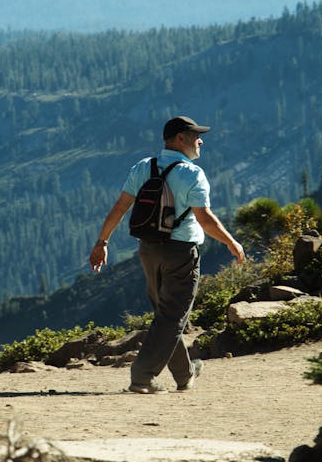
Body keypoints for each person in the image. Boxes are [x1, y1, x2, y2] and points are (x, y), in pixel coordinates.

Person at [89, 115, 245, 394]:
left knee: (166, 315)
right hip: (181, 253)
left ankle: (185, 374)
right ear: (179, 139)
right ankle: (142, 376)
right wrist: (231, 243)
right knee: (172, 317)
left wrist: (102, 242)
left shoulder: (143, 167)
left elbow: (120, 207)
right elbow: (205, 219)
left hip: (148, 251)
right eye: (195, 135)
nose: (201, 140)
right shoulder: (192, 173)